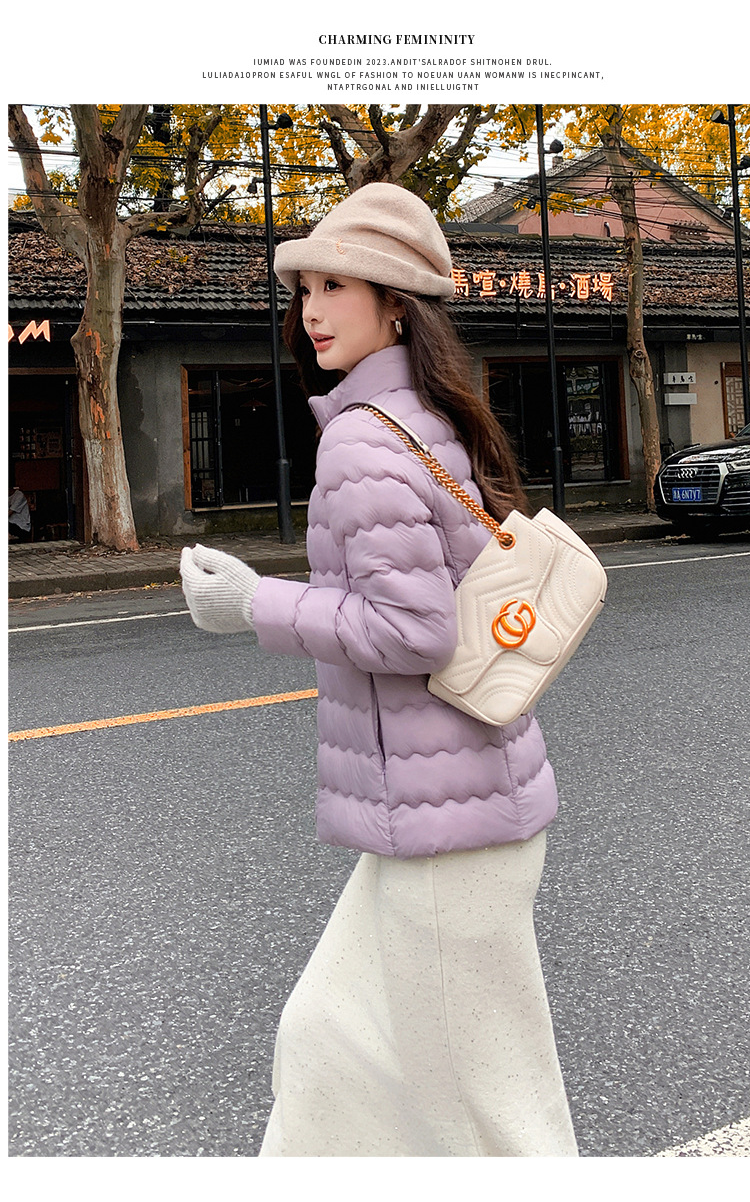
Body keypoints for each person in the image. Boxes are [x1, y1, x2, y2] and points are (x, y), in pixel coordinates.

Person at [179, 182, 578, 1157]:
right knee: (329, 1041)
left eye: (336, 286)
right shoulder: (421, 415)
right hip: (445, 813)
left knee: (491, 1111)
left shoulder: (363, 438)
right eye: (305, 288)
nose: (310, 309)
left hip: (448, 831)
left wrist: (252, 604)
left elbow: (415, 631)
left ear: (395, 304)